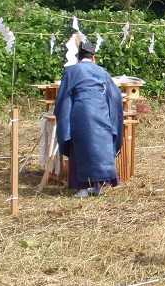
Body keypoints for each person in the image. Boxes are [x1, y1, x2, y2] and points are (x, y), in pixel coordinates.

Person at [53, 39, 124, 197]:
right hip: (101, 111)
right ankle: (99, 186)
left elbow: (64, 96)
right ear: (93, 57)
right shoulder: (102, 71)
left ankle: (83, 188)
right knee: (101, 147)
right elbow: (115, 95)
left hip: (80, 112)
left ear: (78, 58)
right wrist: (113, 116)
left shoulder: (70, 71)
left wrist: (61, 113)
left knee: (80, 147)